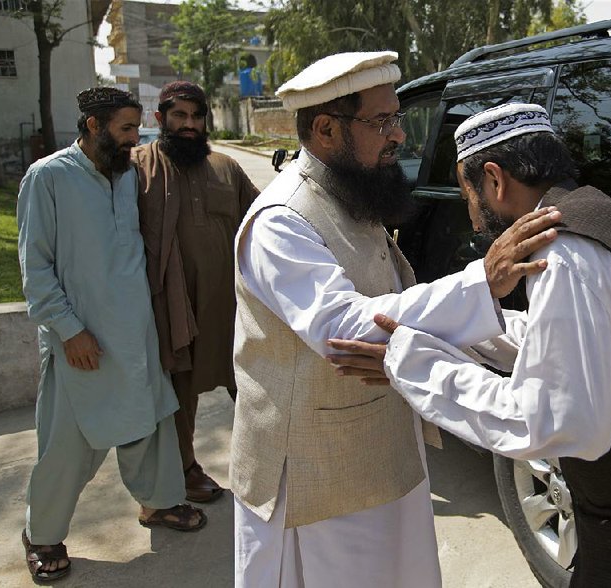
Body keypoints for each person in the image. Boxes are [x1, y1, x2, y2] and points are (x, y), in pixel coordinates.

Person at [330, 103, 611, 587]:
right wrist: (456, 331)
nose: (472, 219)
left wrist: (409, 362)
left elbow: (551, 420)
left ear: (494, 181)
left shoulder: (566, 253)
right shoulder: (594, 215)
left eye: (467, 193)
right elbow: (570, 345)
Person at [230, 53, 562, 587]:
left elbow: (412, 310)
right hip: (316, 478)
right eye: (381, 121)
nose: (400, 136)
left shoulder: (349, 199)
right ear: (325, 129)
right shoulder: (280, 221)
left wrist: (538, 339)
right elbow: (345, 330)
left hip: (380, 452)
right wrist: (483, 280)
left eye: (397, 118)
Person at [17, 87, 206, 583]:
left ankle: (160, 504)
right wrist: (68, 330)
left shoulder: (123, 177)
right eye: (125, 129)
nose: (134, 139)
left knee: (149, 423)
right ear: (94, 126)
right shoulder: (49, 177)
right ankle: (42, 534)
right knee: (67, 444)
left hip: (135, 332)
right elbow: (35, 267)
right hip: (81, 340)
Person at [133, 81, 259, 503]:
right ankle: (184, 468)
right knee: (178, 396)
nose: (189, 125)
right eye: (179, 116)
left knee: (253, 385)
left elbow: (263, 222)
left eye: (197, 116)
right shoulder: (137, 168)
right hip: (173, 307)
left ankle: (265, 459)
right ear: (160, 119)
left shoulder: (226, 167)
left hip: (230, 306)